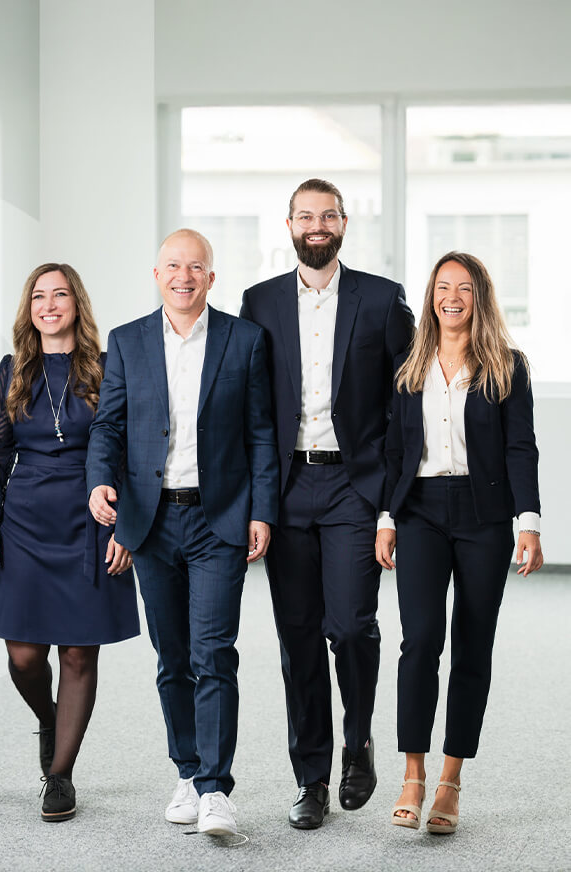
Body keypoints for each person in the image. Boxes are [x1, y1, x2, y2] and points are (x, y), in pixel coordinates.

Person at [86, 229, 278, 839]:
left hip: (218, 518)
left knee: (213, 652)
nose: (184, 277)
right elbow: (108, 428)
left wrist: (261, 511)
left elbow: (261, 434)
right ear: (156, 273)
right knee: (171, 658)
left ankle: (217, 788)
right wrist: (98, 482)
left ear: (211, 278)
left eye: (196, 267)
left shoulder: (245, 340)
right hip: (151, 520)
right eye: (173, 265)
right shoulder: (127, 341)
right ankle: (188, 773)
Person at [239, 178, 415, 828]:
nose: (317, 225)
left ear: (344, 223)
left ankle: (358, 738)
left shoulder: (382, 299)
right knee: (299, 641)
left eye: (328, 215)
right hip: (286, 490)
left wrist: (392, 504)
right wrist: (254, 502)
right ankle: (310, 778)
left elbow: (408, 403)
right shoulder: (258, 303)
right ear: (288, 224)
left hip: (353, 486)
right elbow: (251, 409)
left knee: (349, 627)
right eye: (305, 216)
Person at [376, 251, 543, 835]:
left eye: (464, 288)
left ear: (480, 298)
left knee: (473, 644)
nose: (452, 297)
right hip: (419, 509)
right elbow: (396, 451)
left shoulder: (506, 366)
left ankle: (450, 780)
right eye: (443, 287)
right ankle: (412, 773)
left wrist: (529, 522)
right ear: (431, 297)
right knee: (419, 640)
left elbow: (521, 446)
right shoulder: (409, 365)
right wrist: (386, 518)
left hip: (485, 515)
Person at [0, 263, 139, 822]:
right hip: (25, 518)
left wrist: (126, 528)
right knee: (23, 653)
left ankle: (60, 775)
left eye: (60, 294)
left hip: (93, 516)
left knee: (76, 650)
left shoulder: (109, 367)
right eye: (39, 296)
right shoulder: (13, 368)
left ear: (76, 304)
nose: (49, 305)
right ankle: (50, 717)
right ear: (29, 308)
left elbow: (132, 454)